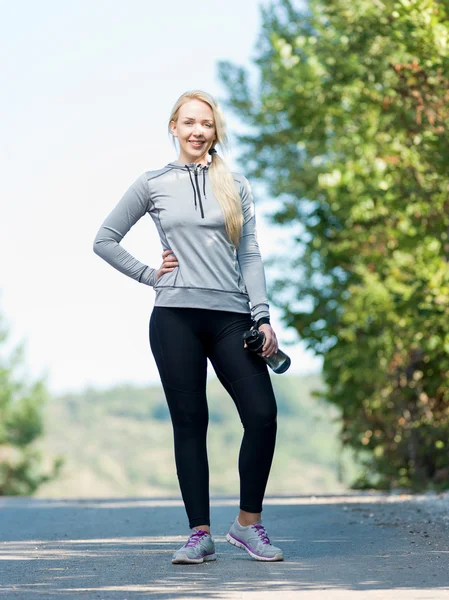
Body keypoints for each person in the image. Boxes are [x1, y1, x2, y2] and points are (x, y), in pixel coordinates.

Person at [93, 90, 284, 564]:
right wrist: (149, 275)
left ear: (215, 131)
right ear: (174, 128)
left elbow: (249, 254)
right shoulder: (153, 183)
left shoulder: (235, 184)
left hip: (232, 317)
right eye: (189, 122)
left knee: (261, 414)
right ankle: (199, 533)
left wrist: (261, 314)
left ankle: (247, 525)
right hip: (175, 315)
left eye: (207, 123)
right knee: (190, 422)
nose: (199, 131)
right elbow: (105, 239)